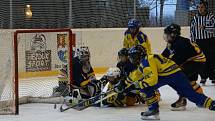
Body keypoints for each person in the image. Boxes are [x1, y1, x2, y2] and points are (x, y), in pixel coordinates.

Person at [122, 45, 215, 120]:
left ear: (137, 56)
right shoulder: (147, 59)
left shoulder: (146, 61)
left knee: (145, 88)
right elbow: (136, 74)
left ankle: (153, 111)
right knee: (191, 94)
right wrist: (124, 83)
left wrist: (137, 85)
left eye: (132, 57)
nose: (131, 59)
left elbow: (152, 79)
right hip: (177, 73)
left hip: (167, 75)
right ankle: (212, 104)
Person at [162, 23, 206, 110]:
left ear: (173, 34)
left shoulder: (180, 44)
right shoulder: (174, 42)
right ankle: (202, 100)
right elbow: (164, 56)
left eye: (167, 34)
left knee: (179, 78)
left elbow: (176, 62)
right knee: (191, 82)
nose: (166, 36)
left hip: (197, 62)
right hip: (193, 61)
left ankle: (182, 101)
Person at [190, 0, 215, 85]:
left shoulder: (211, 16)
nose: (200, 9)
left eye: (202, 7)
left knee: (212, 59)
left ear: (205, 8)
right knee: (201, 59)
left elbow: (214, 29)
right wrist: (193, 42)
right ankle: (203, 77)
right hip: (199, 42)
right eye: (199, 7)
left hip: (210, 41)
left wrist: (205, 27)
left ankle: (213, 77)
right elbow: (192, 31)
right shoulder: (195, 18)